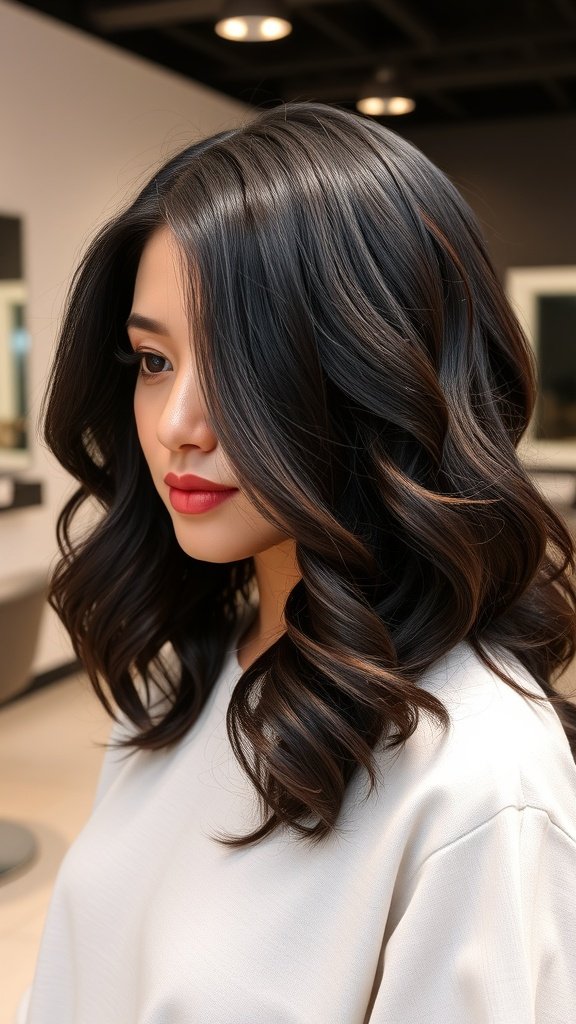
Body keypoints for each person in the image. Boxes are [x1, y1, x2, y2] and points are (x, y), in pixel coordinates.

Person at [15, 100, 576, 1023]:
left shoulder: (478, 781)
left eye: (241, 362)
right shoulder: (182, 683)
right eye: (154, 361)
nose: (178, 427)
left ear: (379, 373)